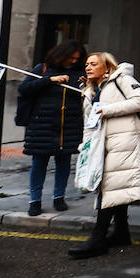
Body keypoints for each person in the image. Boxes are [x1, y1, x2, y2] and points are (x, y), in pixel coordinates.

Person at [69, 52, 140, 260]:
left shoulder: (122, 79)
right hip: (100, 144)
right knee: (116, 185)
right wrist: (84, 146)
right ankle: (122, 232)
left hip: (124, 141)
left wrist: (107, 109)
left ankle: (98, 239)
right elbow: (89, 121)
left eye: (93, 64)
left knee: (108, 186)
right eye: (86, 64)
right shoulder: (90, 89)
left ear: (107, 67)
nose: (88, 67)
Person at [17, 41, 86, 216]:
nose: (73, 61)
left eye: (77, 59)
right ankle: (35, 200)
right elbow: (24, 88)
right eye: (70, 58)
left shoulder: (81, 73)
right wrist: (49, 81)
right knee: (39, 163)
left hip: (69, 124)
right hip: (42, 124)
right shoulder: (43, 68)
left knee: (64, 162)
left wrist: (86, 84)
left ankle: (59, 197)